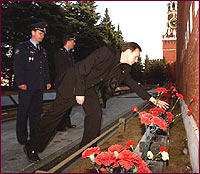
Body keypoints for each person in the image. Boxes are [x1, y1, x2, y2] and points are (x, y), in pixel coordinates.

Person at [23, 42, 169, 162]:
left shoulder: (122, 68)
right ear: (128, 51)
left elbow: (132, 83)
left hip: (88, 86)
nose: (136, 60)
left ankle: (87, 150)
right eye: (136, 56)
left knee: (95, 113)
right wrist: (79, 92)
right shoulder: (106, 52)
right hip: (72, 82)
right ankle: (32, 146)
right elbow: (81, 69)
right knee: (55, 115)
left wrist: (152, 99)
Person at [13, 22, 51, 145]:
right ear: (33, 32)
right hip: (27, 85)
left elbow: (45, 67)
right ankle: (22, 137)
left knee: (36, 112)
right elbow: (18, 66)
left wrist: (47, 81)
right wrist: (21, 82)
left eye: (43, 34)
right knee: (23, 111)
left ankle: (34, 135)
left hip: (39, 86)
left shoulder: (42, 50)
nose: (42, 36)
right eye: (40, 33)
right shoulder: (22, 47)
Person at [54, 35, 76, 131]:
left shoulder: (69, 54)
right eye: (73, 41)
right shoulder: (59, 53)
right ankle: (59, 125)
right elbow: (61, 70)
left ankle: (66, 122)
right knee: (61, 104)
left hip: (69, 82)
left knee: (68, 104)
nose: (74, 43)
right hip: (63, 82)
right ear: (68, 41)